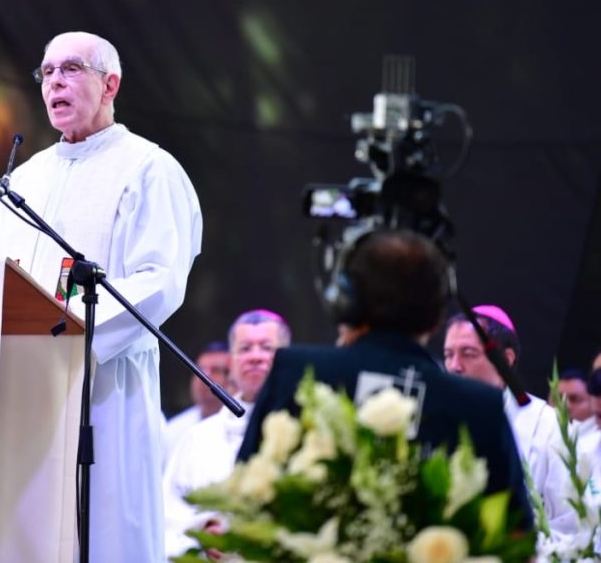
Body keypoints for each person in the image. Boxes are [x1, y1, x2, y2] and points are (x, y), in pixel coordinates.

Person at [0, 31, 203, 562]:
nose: (55, 81)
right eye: (47, 72)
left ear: (110, 84)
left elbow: (160, 279)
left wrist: (75, 337)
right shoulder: (25, 178)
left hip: (105, 386)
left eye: (71, 69)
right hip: (22, 385)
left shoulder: (149, 168)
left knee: (103, 531)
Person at [237, 229, 533, 528]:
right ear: (436, 317)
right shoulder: (481, 406)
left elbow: (246, 491)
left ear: (346, 302)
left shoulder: (296, 370)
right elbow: (515, 539)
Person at [163, 310, 290, 557]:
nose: (255, 357)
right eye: (245, 348)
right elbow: (168, 516)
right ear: (232, 362)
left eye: (266, 348)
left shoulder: (305, 430)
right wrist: (203, 531)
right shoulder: (198, 439)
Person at [443, 305, 574, 532]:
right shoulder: (433, 412)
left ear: (505, 359)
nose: (454, 366)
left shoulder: (547, 426)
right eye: (448, 355)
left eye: (468, 353)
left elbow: (570, 522)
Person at [163, 340, 231, 463]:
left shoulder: (241, 425)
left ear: (233, 378)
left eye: (215, 370)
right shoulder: (173, 430)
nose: (203, 377)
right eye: (199, 370)